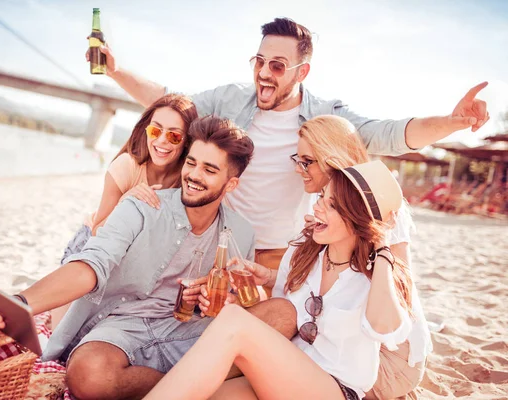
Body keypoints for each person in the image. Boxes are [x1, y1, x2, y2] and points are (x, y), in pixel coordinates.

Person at [88, 17, 490, 294]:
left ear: (302, 72)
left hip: (280, 251)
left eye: (277, 65)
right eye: (259, 61)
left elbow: (384, 134)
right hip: (218, 243)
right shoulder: (229, 99)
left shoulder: (324, 114)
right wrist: (115, 70)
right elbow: (169, 104)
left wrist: (451, 121)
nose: (264, 73)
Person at [0, 116, 296, 400]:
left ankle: (191, 380)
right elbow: (90, 266)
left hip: (191, 333)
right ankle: (193, 384)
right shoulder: (141, 206)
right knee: (88, 376)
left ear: (231, 183)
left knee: (282, 314)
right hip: (124, 329)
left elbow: (235, 302)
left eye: (210, 170)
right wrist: (20, 302)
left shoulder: (242, 231)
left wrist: (219, 304)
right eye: (191, 163)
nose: (194, 175)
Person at [197, 115, 431, 399]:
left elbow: (394, 294)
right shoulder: (323, 207)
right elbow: (330, 283)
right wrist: (270, 276)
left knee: (267, 337)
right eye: (298, 159)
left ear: (330, 160)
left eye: (307, 161)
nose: (299, 169)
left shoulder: (378, 206)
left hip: (387, 355)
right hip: (334, 340)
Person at [145, 159, 413, 400]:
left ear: (358, 220)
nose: (318, 208)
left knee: (235, 322)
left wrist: (384, 253)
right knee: (215, 394)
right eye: (322, 197)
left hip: (334, 389)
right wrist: (247, 293)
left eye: (331, 205)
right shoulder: (302, 252)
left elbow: (385, 330)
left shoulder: (377, 275)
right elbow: (283, 308)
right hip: (280, 376)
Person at [52, 93, 197, 327]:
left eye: (173, 135)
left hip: (133, 263)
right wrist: (127, 202)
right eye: (155, 131)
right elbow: (99, 229)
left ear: (187, 141)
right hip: (91, 246)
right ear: (146, 129)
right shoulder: (126, 166)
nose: (161, 141)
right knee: (58, 332)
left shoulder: (186, 181)